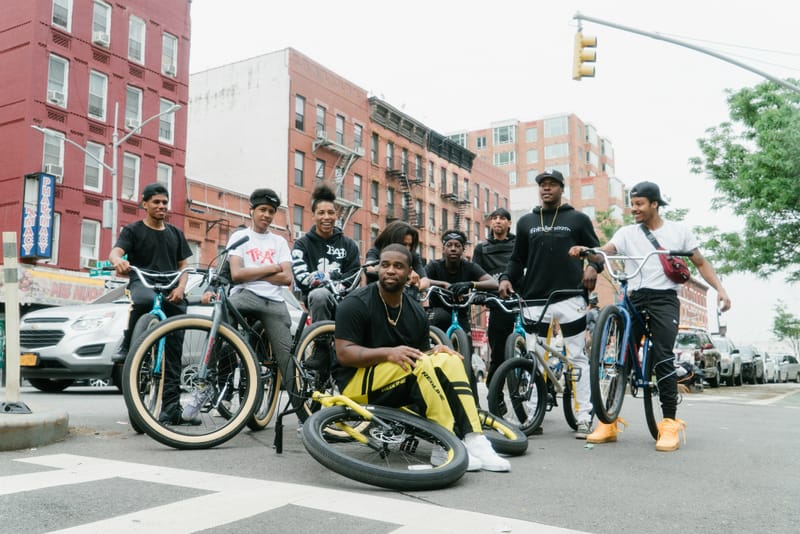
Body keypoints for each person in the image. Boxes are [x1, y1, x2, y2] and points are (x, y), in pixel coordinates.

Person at [570, 181, 732, 452]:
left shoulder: (678, 231)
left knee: (663, 357)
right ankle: (608, 421)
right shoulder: (626, 233)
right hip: (635, 296)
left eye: (639, 204)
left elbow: (700, 263)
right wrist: (589, 252)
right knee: (621, 359)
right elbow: (607, 250)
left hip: (664, 299)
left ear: (654, 204)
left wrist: (721, 290)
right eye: (632, 204)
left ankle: (669, 423)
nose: (634, 209)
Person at [334, 244, 510, 472]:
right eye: (385, 265)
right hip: (356, 384)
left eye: (398, 266)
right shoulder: (356, 303)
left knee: (450, 359)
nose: (390, 270)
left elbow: (419, 356)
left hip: (397, 383)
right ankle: (444, 442)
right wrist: (388, 352)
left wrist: (435, 353)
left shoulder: (415, 312)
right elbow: (344, 354)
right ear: (377, 269)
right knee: (419, 362)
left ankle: (474, 439)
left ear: (410, 274)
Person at [498, 169, 602, 439]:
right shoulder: (526, 222)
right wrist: (507, 278)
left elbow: (597, 253)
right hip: (534, 298)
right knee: (535, 358)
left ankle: (583, 418)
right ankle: (534, 415)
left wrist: (592, 265)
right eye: (542, 185)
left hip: (570, 296)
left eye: (552, 185)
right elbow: (517, 258)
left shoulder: (577, 219)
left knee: (577, 355)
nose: (546, 189)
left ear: (561, 188)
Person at [109, 182, 193, 424]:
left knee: (175, 350)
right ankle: (129, 342)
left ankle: (171, 410)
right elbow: (115, 252)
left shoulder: (175, 233)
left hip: (171, 285)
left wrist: (180, 287)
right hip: (143, 281)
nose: (161, 206)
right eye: (156, 202)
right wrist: (119, 261)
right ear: (144, 204)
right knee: (144, 300)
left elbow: (183, 267)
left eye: (164, 202)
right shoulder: (133, 231)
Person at [226, 188, 294, 392]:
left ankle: (304, 416)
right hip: (246, 296)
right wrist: (272, 267)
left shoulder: (279, 241)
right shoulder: (240, 237)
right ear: (252, 211)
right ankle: (207, 386)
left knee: (286, 358)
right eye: (262, 209)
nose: (266, 215)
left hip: (274, 303)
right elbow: (236, 274)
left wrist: (253, 272)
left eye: (271, 211)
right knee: (222, 321)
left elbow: (287, 278)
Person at [291, 183, 361, 371]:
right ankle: (321, 350)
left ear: (336, 215)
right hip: (318, 302)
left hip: (345, 301)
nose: (326, 217)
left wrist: (329, 276)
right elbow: (301, 278)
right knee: (320, 294)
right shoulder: (302, 245)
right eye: (321, 213)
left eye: (330, 212)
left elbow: (354, 277)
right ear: (313, 215)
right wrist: (332, 280)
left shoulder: (349, 245)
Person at [425, 229, 498, 395]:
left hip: (460, 316)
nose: (453, 248)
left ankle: (474, 406)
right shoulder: (434, 266)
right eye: (449, 245)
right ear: (443, 248)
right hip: (437, 313)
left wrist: (471, 284)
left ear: (463, 250)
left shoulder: (469, 267)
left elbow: (493, 283)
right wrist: (443, 284)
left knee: (467, 360)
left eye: (457, 245)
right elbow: (424, 279)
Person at [472, 208, 516, 386]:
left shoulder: (519, 245)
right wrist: (478, 294)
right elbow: (474, 272)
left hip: (520, 302)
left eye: (502, 218)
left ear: (509, 223)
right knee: (497, 353)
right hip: (497, 304)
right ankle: (494, 392)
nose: (498, 221)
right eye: (494, 218)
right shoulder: (481, 248)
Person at [364, 220, 430, 295]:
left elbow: (425, 280)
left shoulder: (413, 255)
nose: (407, 249)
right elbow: (369, 268)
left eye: (409, 245)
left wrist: (415, 286)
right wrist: (404, 272)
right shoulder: (376, 251)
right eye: (403, 244)